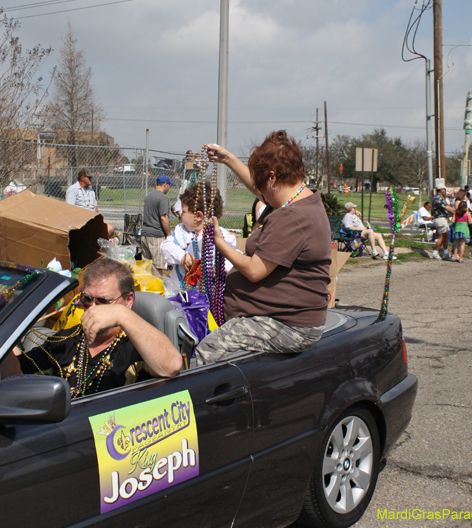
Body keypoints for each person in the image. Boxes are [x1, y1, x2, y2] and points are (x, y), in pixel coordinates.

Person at [196, 131, 331, 365]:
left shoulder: (292, 216)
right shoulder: (296, 198)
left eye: (262, 183)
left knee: (208, 350)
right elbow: (261, 189)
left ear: (272, 178)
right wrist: (227, 159)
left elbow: (255, 270)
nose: (260, 192)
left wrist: (220, 244)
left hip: (290, 325)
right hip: (282, 317)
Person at [12, 258, 182, 396]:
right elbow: (14, 376)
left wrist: (121, 315)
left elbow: (171, 366)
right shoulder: (66, 339)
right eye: (87, 299)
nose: (93, 308)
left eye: (103, 301)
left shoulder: (137, 344)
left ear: (129, 300)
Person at [161, 181, 237, 290]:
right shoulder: (181, 231)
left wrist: (223, 269)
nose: (181, 214)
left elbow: (233, 258)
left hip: (208, 296)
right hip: (180, 292)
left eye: (184, 211)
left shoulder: (221, 236)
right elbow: (166, 247)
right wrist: (181, 256)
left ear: (198, 216)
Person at [141, 174, 175, 276]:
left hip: (145, 233)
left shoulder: (148, 196)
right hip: (156, 235)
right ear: (165, 184)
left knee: (145, 266)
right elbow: (163, 217)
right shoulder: (163, 198)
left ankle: (144, 289)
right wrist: (168, 234)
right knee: (157, 267)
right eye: (169, 185)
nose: (169, 188)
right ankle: (156, 291)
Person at [430, 187, 454, 260]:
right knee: (442, 236)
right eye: (444, 189)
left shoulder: (439, 197)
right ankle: (435, 252)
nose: (445, 191)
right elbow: (446, 207)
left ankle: (445, 252)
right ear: (441, 190)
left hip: (442, 218)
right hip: (440, 218)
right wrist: (456, 213)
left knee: (446, 235)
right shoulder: (438, 198)